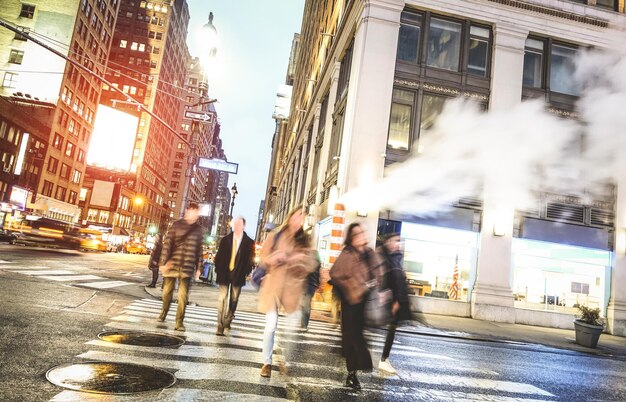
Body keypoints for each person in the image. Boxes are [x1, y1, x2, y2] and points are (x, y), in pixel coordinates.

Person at [258, 206, 316, 377]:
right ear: (290, 217)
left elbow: (311, 264)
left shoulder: (304, 240)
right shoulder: (276, 235)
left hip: (291, 289)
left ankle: (285, 361)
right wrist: (273, 258)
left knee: (291, 326)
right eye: (298, 216)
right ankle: (266, 363)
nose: (300, 221)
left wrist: (301, 260)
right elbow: (262, 259)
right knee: (271, 325)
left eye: (303, 218)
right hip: (273, 287)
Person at [330, 222, 380, 390]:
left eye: (362, 233)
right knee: (352, 338)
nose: (360, 236)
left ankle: (355, 369)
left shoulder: (369, 253)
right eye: (356, 234)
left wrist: (370, 284)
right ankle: (352, 374)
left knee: (359, 338)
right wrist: (351, 286)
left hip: (365, 303)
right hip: (350, 303)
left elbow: (377, 274)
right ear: (351, 238)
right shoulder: (347, 253)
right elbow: (335, 273)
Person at [157, 203, 205, 331]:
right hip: (173, 264)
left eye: (196, 212)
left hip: (187, 267)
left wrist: (199, 267)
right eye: (192, 211)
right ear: (187, 211)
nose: (194, 214)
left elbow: (199, 250)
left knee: (183, 297)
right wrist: (163, 262)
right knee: (167, 292)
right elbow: (167, 245)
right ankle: (164, 312)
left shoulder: (199, 230)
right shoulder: (176, 225)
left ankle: (179, 322)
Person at [213, 216, 255, 335]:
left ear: (243, 226)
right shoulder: (225, 240)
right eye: (235, 224)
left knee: (234, 299)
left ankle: (228, 320)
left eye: (239, 224)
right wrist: (217, 269)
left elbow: (250, 259)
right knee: (222, 298)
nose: (236, 226)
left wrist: (247, 272)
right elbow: (219, 256)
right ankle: (220, 325)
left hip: (238, 274)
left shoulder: (249, 242)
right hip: (224, 273)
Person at [377, 233, 410, 375]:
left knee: (391, 329)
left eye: (398, 241)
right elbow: (386, 280)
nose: (396, 244)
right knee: (382, 328)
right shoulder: (385, 258)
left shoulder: (395, 258)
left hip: (395, 300)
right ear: (386, 242)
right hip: (389, 301)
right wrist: (394, 300)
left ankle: (384, 359)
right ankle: (383, 360)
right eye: (393, 241)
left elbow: (397, 279)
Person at [301, 253, 321, 330]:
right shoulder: (317, 264)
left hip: (307, 284)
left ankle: (304, 324)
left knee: (305, 304)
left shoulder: (309, 263)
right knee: (306, 304)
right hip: (312, 285)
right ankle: (304, 323)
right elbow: (318, 275)